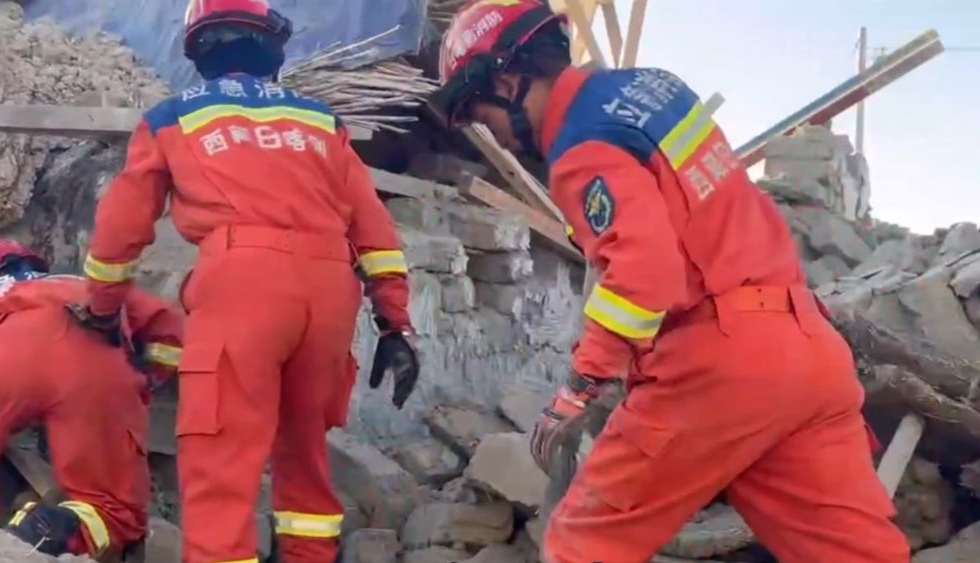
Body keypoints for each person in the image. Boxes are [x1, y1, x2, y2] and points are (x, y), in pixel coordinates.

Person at [433, 1, 910, 562]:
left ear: (507, 83)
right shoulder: (654, 91)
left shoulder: (582, 147)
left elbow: (645, 273)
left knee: (584, 542)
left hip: (721, 366)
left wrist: (582, 384)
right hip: (807, 346)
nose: (498, 139)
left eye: (482, 117)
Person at [73, 0, 419, 561]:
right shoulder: (321, 121)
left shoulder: (171, 117)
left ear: (198, 52)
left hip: (244, 285)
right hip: (331, 291)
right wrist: (395, 323)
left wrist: (102, 306)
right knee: (305, 457)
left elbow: (120, 230)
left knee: (221, 464)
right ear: (271, 46)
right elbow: (374, 230)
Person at [0, 236, 182, 559]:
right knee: (113, 510)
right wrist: (136, 380)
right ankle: (45, 530)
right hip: (91, 359)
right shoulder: (76, 283)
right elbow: (170, 330)